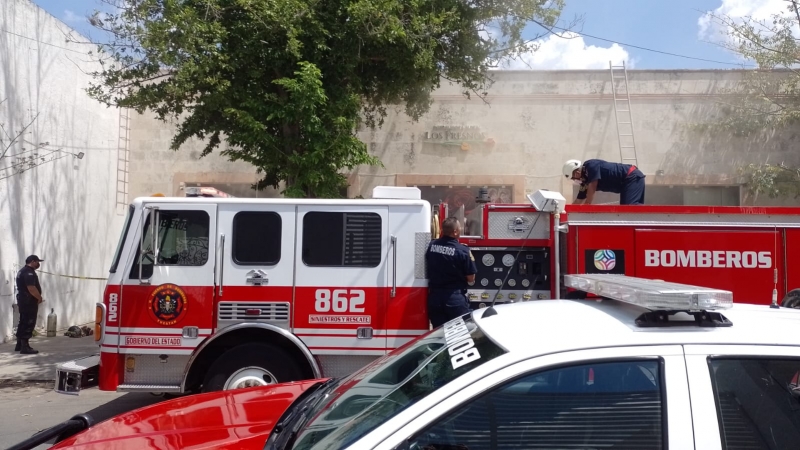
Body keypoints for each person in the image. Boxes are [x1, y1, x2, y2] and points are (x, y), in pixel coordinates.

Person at [425, 217, 477, 328]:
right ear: (455, 232)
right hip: (454, 298)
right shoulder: (463, 251)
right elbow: (471, 278)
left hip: (435, 298)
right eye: (460, 228)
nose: (461, 229)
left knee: (438, 333)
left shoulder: (431, 246)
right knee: (460, 333)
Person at [562, 159, 646, 205]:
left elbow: (593, 185)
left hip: (631, 176)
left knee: (630, 208)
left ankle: (652, 217)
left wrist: (587, 205)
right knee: (624, 210)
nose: (574, 180)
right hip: (625, 184)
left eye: (573, 178)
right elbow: (578, 201)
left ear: (577, 173)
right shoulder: (585, 182)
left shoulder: (590, 165)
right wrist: (566, 212)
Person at [15, 255, 44, 354]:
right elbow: (31, 288)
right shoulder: (28, 272)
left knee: (23, 321)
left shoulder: (22, 271)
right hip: (28, 301)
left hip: (23, 300)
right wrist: (39, 297)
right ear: (33, 261)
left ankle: (19, 344)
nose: (38, 264)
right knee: (29, 322)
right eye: (37, 262)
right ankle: (25, 347)